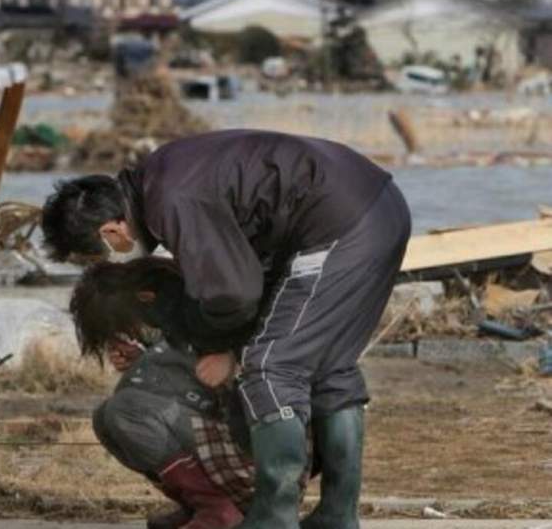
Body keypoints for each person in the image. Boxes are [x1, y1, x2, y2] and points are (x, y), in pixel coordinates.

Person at [42, 129, 412, 528]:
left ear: (112, 233)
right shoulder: (164, 177)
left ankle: (273, 516)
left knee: (272, 367)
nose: (112, 260)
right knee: (329, 366)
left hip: (339, 223)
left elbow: (235, 293)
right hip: (376, 206)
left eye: (97, 255)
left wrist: (227, 351)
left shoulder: (172, 200)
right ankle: (337, 514)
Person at [72, 258, 311, 529]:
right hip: (245, 443)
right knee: (104, 418)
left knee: (125, 411)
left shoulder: (204, 310)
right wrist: (143, 358)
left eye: (126, 327)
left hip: (267, 457)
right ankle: (201, 504)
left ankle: (217, 509)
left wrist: (146, 363)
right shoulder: (181, 309)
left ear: (143, 298)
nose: (131, 333)